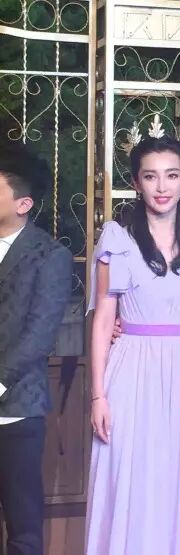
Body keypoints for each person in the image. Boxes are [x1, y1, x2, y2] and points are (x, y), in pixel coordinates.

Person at [85, 132, 180, 555]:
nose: (162, 186)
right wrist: (98, 396)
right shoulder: (118, 240)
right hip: (131, 370)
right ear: (136, 182)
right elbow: (102, 321)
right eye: (150, 176)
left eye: (171, 175)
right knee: (133, 473)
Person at [0, 144, 73, 555]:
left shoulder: (50, 256)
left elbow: (39, 335)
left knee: (23, 527)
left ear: (23, 203)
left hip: (17, 409)